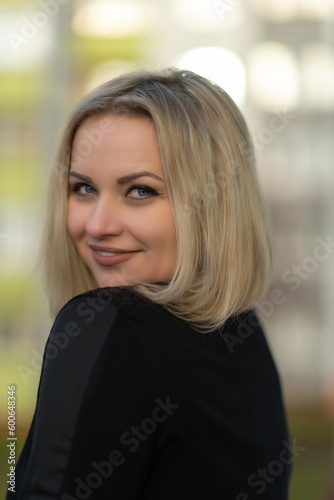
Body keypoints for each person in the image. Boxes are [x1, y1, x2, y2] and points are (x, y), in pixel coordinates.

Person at [10, 68, 291, 499]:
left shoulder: (109, 324)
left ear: (212, 206)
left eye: (140, 191)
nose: (98, 224)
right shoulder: (245, 336)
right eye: (83, 188)